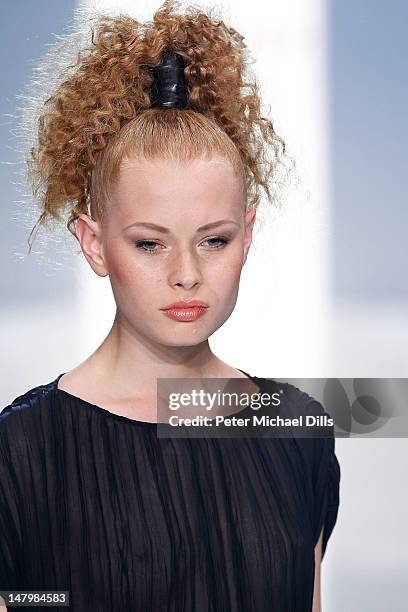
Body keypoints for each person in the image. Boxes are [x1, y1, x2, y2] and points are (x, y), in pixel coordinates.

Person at [0, 1, 340, 610]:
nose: (186, 275)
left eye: (214, 239)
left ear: (249, 236)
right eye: (150, 243)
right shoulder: (23, 452)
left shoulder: (296, 430)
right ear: (95, 244)